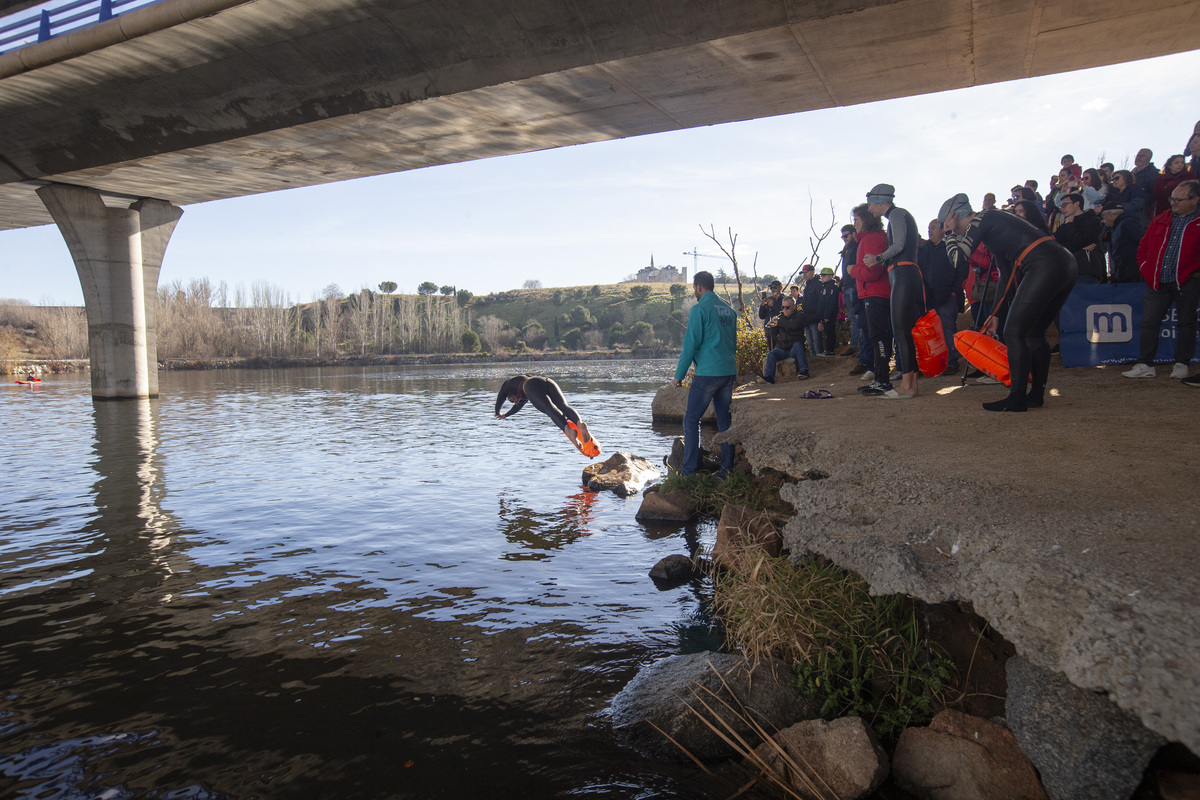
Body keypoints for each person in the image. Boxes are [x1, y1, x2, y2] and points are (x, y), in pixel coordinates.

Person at [939, 193, 1078, 412]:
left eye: (954, 227)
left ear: (955, 216)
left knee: (1014, 332)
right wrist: (996, 314)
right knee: (1034, 332)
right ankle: (1035, 395)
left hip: (1044, 265)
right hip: (1063, 263)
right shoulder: (994, 225)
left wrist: (948, 233)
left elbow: (957, 259)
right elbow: (1006, 274)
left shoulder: (982, 218)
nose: (957, 233)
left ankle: (1017, 397)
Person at [1123, 180, 1200, 380]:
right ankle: (1145, 364)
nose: (1173, 203)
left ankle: (1182, 363)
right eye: (1171, 198)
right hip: (1157, 280)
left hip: (1188, 281)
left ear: (1195, 200)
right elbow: (1143, 248)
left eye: (1178, 199)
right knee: (1149, 322)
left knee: (1186, 323)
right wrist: (1146, 269)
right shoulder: (1160, 219)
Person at [673, 270, 737, 476]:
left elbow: (690, 345)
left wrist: (679, 375)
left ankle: (689, 471)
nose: (695, 292)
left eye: (694, 288)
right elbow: (732, 344)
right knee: (724, 422)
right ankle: (727, 471)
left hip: (708, 373)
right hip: (727, 371)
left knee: (691, 419)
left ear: (699, 287)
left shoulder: (699, 310)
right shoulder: (729, 311)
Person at [864, 183, 923, 399]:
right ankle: (912, 384)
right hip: (902, 274)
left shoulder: (897, 214)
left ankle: (908, 386)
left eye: (871, 203)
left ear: (881, 201)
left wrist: (877, 258)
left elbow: (898, 245)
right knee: (903, 330)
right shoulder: (897, 216)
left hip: (904, 273)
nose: (870, 209)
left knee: (901, 331)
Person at [495, 375, 599, 456]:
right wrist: (506, 415)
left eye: (512, 399)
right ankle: (580, 424)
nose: (516, 401)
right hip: (545, 380)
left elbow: (500, 397)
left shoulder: (507, 386)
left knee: (549, 409)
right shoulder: (522, 394)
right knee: (563, 405)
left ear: (510, 394)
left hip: (531, 386)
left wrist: (497, 412)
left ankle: (569, 432)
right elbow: (517, 407)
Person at [848, 203, 891, 390]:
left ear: (866, 219)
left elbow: (872, 272)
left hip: (877, 294)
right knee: (876, 336)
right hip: (872, 294)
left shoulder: (873, 239)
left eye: (856, 220)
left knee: (879, 337)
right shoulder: (866, 240)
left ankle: (882, 380)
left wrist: (852, 270)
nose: (854, 224)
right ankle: (880, 378)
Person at [918, 218, 968, 375]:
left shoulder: (950, 247)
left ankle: (952, 362)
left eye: (933, 227)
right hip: (928, 297)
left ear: (942, 230)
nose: (929, 230)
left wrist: (955, 291)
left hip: (947, 296)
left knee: (948, 327)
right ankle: (935, 363)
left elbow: (962, 269)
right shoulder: (923, 249)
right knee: (931, 332)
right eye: (928, 227)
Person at [839, 223, 872, 376]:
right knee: (853, 318)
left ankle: (858, 348)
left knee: (858, 318)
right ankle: (855, 346)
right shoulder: (847, 249)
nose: (844, 239)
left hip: (856, 286)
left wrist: (850, 284)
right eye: (842, 236)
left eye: (846, 235)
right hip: (848, 286)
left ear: (853, 234)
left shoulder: (858, 246)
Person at [1054, 192, 1106, 283]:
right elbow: (1055, 245)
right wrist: (1078, 247)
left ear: (1077, 204)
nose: (1062, 209)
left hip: (1086, 270)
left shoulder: (1091, 220)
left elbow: (1081, 241)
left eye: (1065, 205)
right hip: (1067, 271)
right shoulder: (1064, 224)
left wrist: (1070, 225)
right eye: (1061, 207)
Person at [759, 295, 810, 383]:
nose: (784, 310)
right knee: (771, 354)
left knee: (798, 345)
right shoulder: (780, 317)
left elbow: (794, 325)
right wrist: (773, 326)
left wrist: (779, 323)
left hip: (794, 348)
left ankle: (804, 371)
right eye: (783, 307)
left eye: (787, 307)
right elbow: (774, 335)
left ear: (794, 307)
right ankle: (769, 377)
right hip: (782, 347)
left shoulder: (799, 315)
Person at [1100, 201, 1145, 284]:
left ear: (1109, 214)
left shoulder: (1128, 223)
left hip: (1132, 272)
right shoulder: (1118, 225)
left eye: (1103, 217)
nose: (1103, 221)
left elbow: (1143, 242)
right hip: (1124, 270)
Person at [815, 268, 841, 355]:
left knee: (830, 333)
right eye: (821, 276)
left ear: (830, 276)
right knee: (827, 333)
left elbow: (830, 303)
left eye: (824, 276)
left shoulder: (832, 288)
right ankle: (828, 350)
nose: (822, 278)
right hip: (824, 316)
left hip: (829, 316)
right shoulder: (825, 287)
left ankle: (830, 350)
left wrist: (826, 316)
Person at [1133, 148, 1159, 225]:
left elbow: (1153, 195)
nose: (1138, 158)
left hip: (1144, 212)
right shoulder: (1131, 174)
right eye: (1137, 155)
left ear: (1149, 158)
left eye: (1142, 156)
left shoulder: (1154, 174)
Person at [757, 280, 784, 349]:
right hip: (769, 330)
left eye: (775, 288)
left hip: (781, 329)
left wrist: (773, 305)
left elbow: (785, 313)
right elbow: (761, 316)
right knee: (771, 349)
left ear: (780, 288)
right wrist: (763, 305)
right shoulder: (769, 299)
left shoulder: (784, 299)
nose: (772, 290)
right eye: (771, 288)